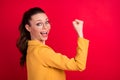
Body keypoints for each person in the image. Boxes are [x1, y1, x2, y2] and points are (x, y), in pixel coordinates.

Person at [16, 7, 89, 80]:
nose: (45, 27)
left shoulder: (31, 49)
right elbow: (79, 65)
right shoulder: (41, 52)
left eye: (47, 22)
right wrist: (80, 33)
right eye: (39, 24)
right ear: (28, 28)